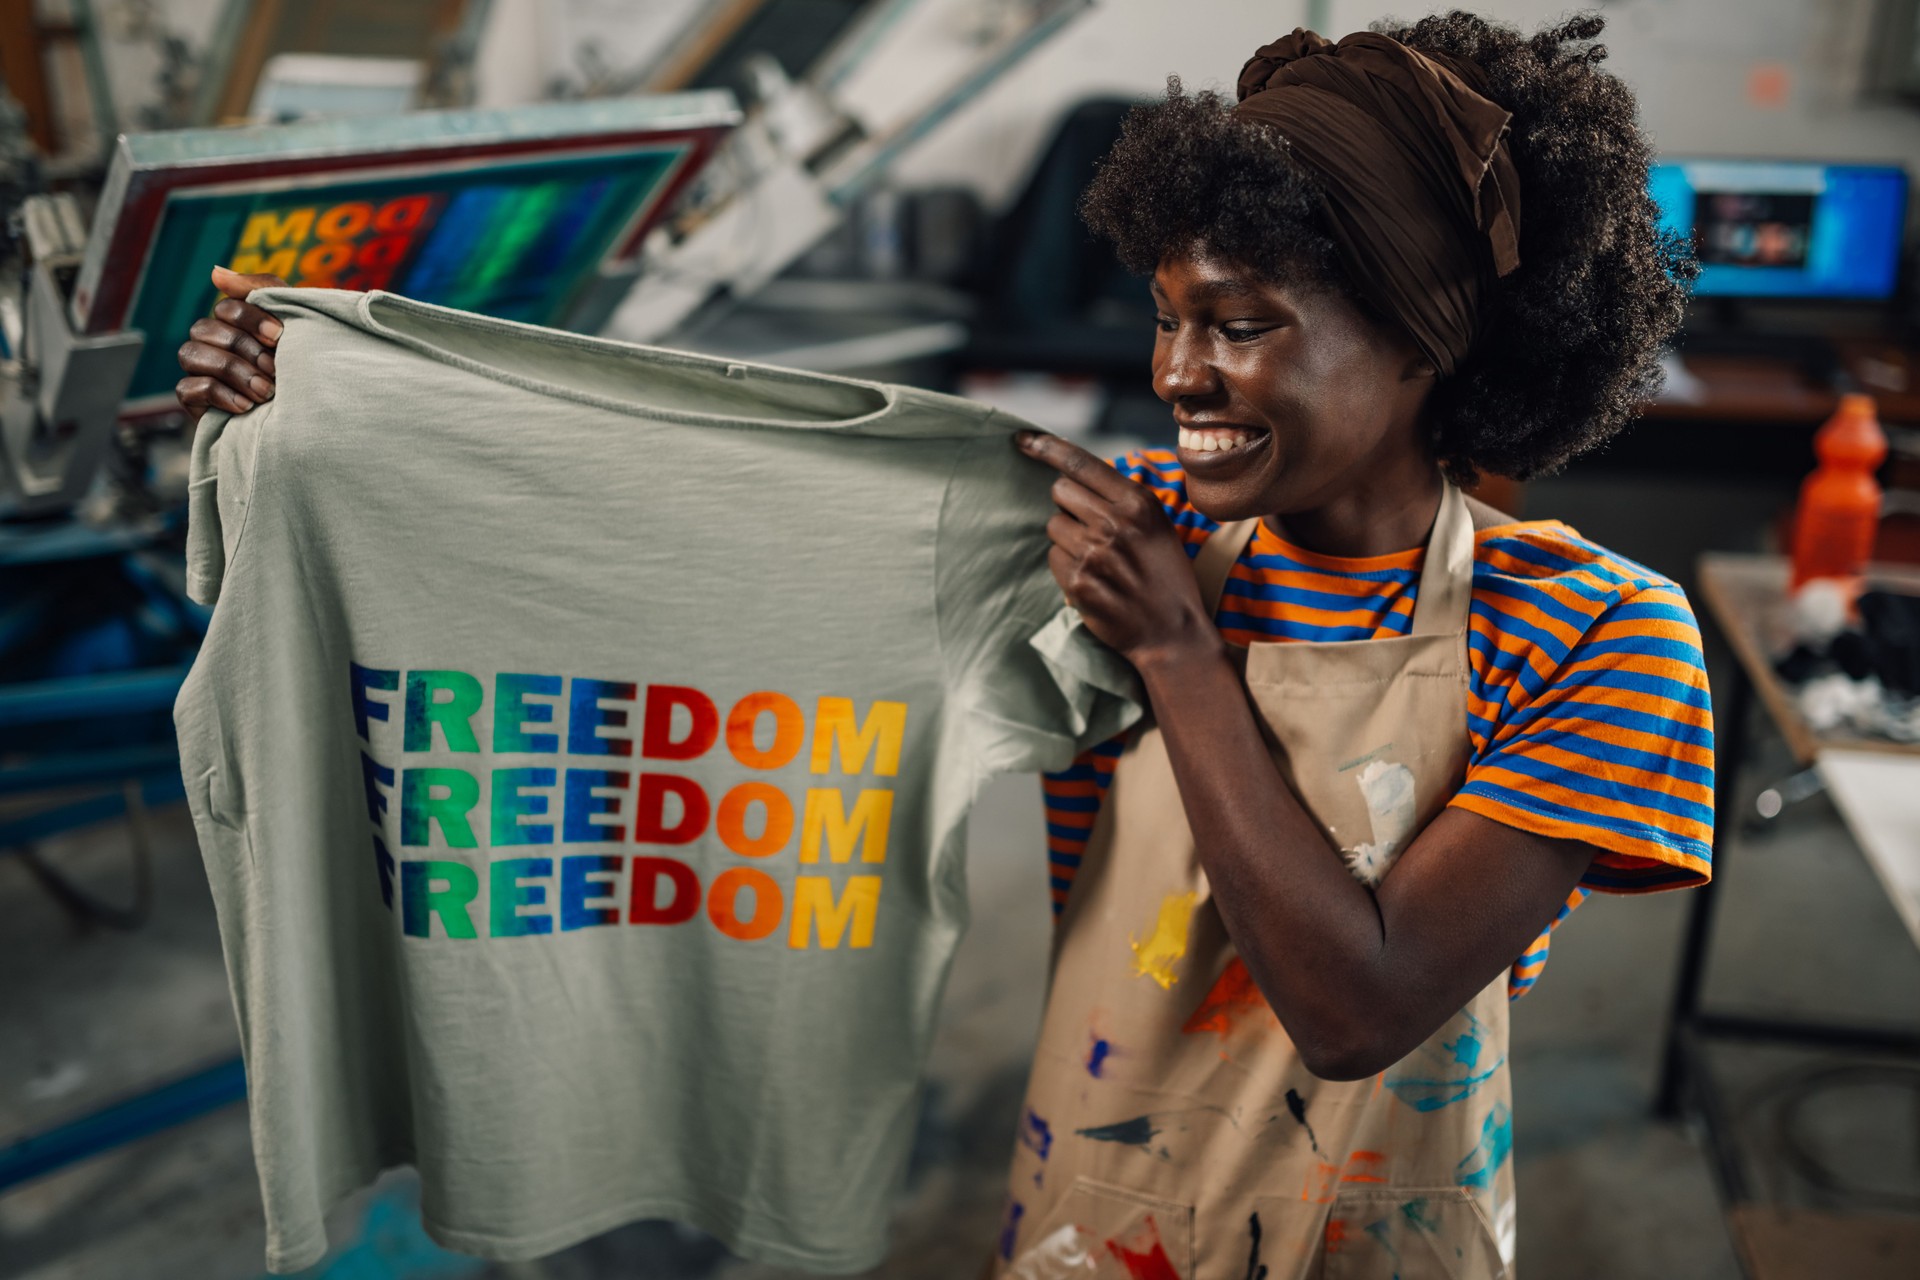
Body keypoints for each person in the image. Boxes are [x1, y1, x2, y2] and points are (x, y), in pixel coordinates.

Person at [175, 12, 1711, 1276]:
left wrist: (1179, 658)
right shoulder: (1119, 526)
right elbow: (691, 485)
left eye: (1241, 324)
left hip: (1372, 1236)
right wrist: (341, 405)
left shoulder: (1602, 635)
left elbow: (1361, 1005)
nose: (1177, 372)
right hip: (1087, 1211)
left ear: (1425, 333)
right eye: (1169, 315)